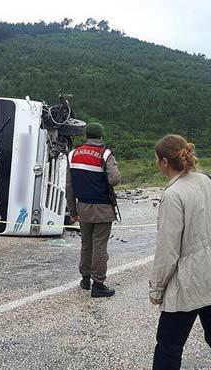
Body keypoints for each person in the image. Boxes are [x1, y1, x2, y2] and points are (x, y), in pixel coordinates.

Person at [150, 134, 211, 370]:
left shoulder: (173, 195)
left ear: (163, 161)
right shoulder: (207, 180)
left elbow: (168, 250)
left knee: (169, 345)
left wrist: (157, 288)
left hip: (190, 279)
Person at [66, 122, 120, 298]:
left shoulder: (72, 154)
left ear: (86, 135)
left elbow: (69, 187)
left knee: (86, 244)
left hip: (83, 207)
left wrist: (72, 210)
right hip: (103, 208)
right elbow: (114, 180)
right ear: (101, 136)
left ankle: (85, 279)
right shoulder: (105, 154)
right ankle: (98, 284)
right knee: (100, 246)